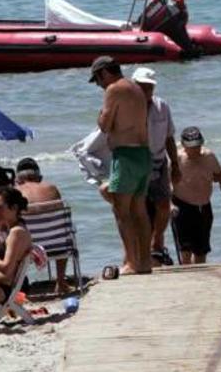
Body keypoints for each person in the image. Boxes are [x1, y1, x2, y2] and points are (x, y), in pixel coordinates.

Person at [90, 55, 152, 275]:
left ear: (105, 73)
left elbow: (105, 125)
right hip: (144, 154)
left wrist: (100, 116)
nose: (100, 86)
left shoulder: (113, 89)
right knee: (139, 211)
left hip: (125, 155)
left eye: (98, 80)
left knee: (121, 210)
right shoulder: (136, 88)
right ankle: (145, 262)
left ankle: (132, 263)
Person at [131, 67, 182, 267]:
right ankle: (140, 248)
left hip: (160, 161)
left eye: (149, 87)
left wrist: (176, 164)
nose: (145, 90)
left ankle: (157, 239)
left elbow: (169, 137)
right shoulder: (128, 108)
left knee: (163, 205)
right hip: (136, 163)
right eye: (141, 86)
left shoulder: (162, 106)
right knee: (139, 209)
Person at [171, 127, 221, 265]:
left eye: (198, 146)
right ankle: (187, 280)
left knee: (201, 251)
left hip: (204, 207)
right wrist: (169, 205)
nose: (196, 150)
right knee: (185, 251)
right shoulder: (177, 159)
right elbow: (167, 184)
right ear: (184, 146)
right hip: (182, 207)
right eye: (192, 147)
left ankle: (200, 279)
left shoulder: (209, 157)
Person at [14, 157, 72, 293]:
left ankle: (18, 288)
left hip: (29, 249)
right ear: (39, 177)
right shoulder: (52, 188)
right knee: (62, 231)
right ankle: (61, 281)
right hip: (59, 245)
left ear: (18, 179)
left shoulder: (16, 193)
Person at [0, 188, 32, 304]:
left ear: (14, 208)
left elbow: (6, 270)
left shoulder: (16, 233)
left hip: (5, 291)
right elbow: (8, 269)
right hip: (6, 287)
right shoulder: (16, 229)